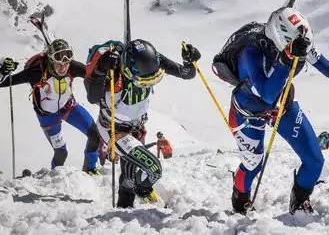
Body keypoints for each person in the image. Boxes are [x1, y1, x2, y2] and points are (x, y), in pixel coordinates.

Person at [213, 7, 329, 215]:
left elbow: (328, 69)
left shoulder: (300, 43)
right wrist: (285, 60)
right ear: (281, 37)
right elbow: (267, 94)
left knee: (315, 160)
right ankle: (240, 200)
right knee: (252, 164)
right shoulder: (251, 53)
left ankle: (299, 200)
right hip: (248, 111)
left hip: (282, 106)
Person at [84, 39, 200, 208]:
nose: (148, 84)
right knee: (153, 168)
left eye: (153, 81)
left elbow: (186, 73)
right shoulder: (113, 68)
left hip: (137, 127)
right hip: (113, 129)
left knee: (129, 175)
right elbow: (92, 97)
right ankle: (143, 190)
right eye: (143, 82)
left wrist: (191, 60)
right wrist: (101, 69)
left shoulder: (153, 60)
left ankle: (123, 212)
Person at [0, 40, 101, 174]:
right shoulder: (36, 73)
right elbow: (3, 82)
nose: (63, 68)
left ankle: (90, 169)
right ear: (50, 60)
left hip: (68, 107)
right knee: (61, 152)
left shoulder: (72, 67)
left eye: (66, 63)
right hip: (47, 115)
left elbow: (94, 75)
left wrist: (106, 66)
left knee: (95, 135)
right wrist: (3, 71)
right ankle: (55, 178)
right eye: (58, 64)